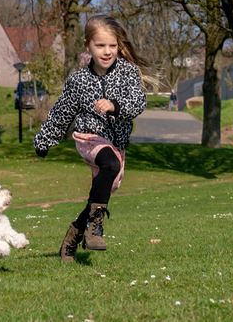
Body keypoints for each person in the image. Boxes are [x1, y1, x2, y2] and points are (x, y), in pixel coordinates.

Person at [34, 15, 148, 263]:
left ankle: (74, 234)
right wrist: (44, 140)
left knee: (105, 189)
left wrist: (115, 106)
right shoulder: (78, 81)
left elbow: (139, 103)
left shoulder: (128, 73)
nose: (107, 52)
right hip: (89, 138)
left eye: (112, 46)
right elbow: (61, 113)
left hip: (116, 142)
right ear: (88, 46)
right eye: (100, 46)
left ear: (119, 46)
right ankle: (96, 227)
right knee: (110, 164)